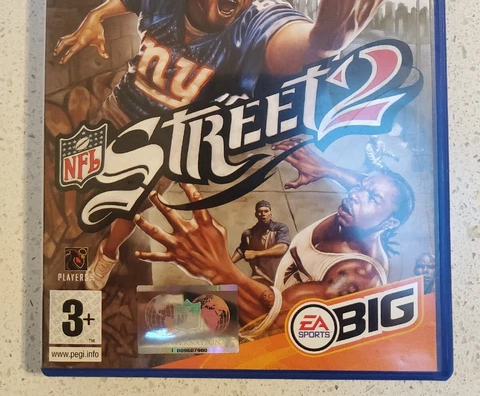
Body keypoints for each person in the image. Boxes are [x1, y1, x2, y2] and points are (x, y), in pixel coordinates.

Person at [55, 0, 419, 290]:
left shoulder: (255, 18)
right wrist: (97, 16)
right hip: (122, 104)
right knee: (83, 178)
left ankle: (109, 252)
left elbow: (301, 44)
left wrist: (331, 36)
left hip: (169, 137)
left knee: (132, 201)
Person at [133, 141, 415, 333]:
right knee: (148, 318)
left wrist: (218, 269)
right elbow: (371, 186)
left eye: (372, 197)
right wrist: (329, 169)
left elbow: (273, 326)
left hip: (271, 334)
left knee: (151, 325)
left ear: (390, 222)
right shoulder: (359, 213)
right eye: (361, 186)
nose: (356, 194)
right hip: (269, 296)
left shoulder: (358, 276)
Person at [231, 201, 291, 285]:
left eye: (266, 211)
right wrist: (228, 263)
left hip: (282, 277)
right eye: (260, 212)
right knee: (233, 290)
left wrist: (256, 254)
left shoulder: (280, 228)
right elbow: (241, 250)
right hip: (260, 279)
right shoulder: (249, 234)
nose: (263, 214)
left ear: (270, 214)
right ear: (256, 214)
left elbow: (282, 248)